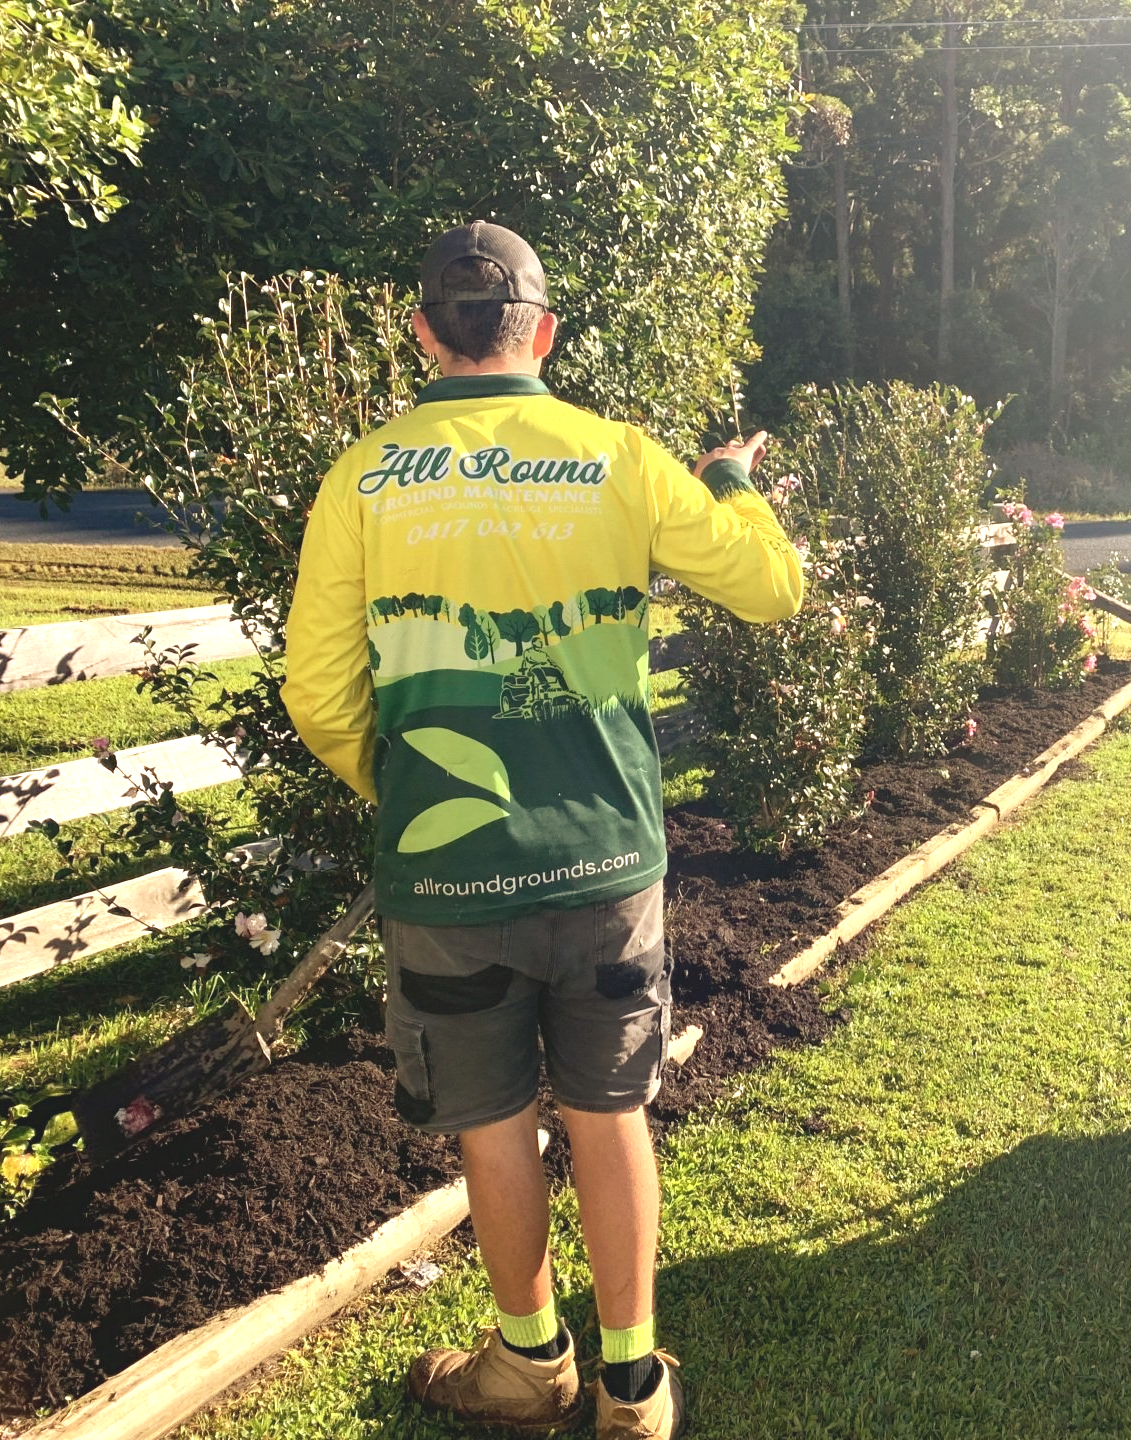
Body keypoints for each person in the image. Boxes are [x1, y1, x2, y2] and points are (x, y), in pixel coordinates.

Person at [283, 220, 802, 1439]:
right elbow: (772, 592)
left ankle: (526, 1364)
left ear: (422, 332)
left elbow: (317, 692)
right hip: (607, 859)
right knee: (608, 1110)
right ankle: (631, 1387)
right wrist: (728, 481)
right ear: (544, 333)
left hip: (446, 875)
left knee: (493, 1122)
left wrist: (415, 792)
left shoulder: (364, 474)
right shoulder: (620, 457)